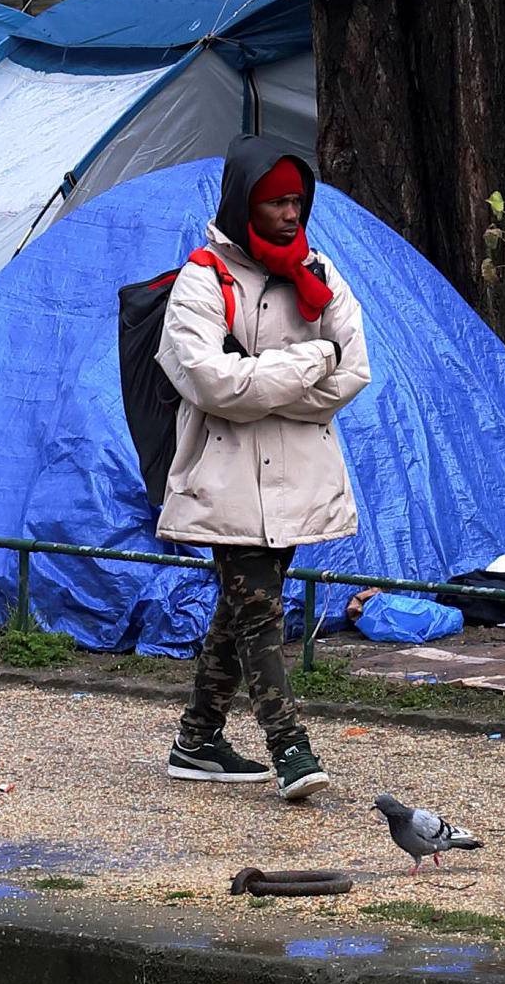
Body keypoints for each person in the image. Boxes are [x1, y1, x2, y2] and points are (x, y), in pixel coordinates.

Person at [154, 138, 370, 801]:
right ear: (246, 200)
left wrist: (260, 382)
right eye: (276, 200)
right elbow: (212, 386)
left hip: (296, 474)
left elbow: (354, 372)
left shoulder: (320, 273)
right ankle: (291, 750)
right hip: (226, 476)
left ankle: (197, 739)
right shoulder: (202, 278)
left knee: (243, 606)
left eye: (297, 201)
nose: (289, 212)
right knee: (259, 615)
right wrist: (311, 361)